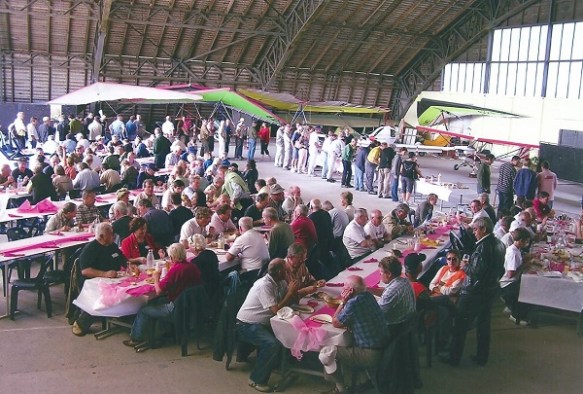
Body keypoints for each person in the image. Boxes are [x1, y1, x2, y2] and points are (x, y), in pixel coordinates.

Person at [444, 217, 505, 366]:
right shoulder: (499, 244)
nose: (474, 233)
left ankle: (454, 358)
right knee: (483, 325)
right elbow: (501, 270)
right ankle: (481, 357)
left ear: (483, 229)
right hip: (490, 290)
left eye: (476, 230)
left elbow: (476, 272)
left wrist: (465, 265)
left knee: (460, 324)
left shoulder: (483, 247)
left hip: (474, 292)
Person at [236, 259, 299, 392]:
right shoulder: (264, 285)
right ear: (280, 272)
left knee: (289, 332)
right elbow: (277, 311)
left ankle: (278, 364)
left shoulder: (279, 282)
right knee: (272, 344)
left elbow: (289, 301)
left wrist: (292, 290)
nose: (289, 273)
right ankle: (256, 379)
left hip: (264, 322)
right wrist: (289, 293)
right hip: (246, 325)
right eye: (287, 271)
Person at [123, 243, 202, 347]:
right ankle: (161, 332)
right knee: (157, 301)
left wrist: (156, 278)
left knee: (144, 310)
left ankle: (136, 338)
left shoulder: (176, 270)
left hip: (177, 309)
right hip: (192, 305)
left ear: (172, 257)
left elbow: (159, 291)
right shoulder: (193, 267)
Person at [319, 275, 387, 394]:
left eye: (345, 286)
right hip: (383, 345)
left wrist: (343, 302)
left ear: (351, 290)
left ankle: (341, 389)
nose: (343, 289)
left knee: (327, 353)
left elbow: (335, 322)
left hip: (370, 354)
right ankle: (364, 379)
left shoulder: (353, 303)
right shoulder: (368, 295)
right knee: (346, 339)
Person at [72, 223, 129, 336]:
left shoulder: (112, 245)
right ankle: (81, 323)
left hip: (113, 278)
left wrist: (129, 265)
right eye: (111, 234)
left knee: (128, 290)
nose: (113, 236)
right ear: (102, 236)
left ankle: (126, 315)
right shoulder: (91, 249)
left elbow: (121, 258)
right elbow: (85, 271)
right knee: (102, 297)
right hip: (92, 281)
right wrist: (105, 274)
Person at [369, 256, 416, 337]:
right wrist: (369, 290)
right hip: (408, 322)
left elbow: (376, 314)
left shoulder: (393, 291)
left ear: (389, 274)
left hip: (396, 328)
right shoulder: (404, 280)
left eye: (381, 272)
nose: (380, 274)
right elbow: (387, 292)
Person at [500, 228, 531, 326]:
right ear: (521, 240)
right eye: (526, 241)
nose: (527, 243)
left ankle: (512, 306)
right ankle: (515, 316)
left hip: (513, 280)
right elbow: (510, 274)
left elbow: (519, 261)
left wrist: (528, 258)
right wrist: (524, 266)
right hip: (508, 283)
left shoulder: (515, 248)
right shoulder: (513, 253)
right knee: (527, 292)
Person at [226, 217, 270, 281]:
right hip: (264, 270)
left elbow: (228, 258)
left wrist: (232, 247)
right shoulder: (259, 235)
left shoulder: (241, 238)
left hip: (251, 272)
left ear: (240, 228)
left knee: (231, 274)